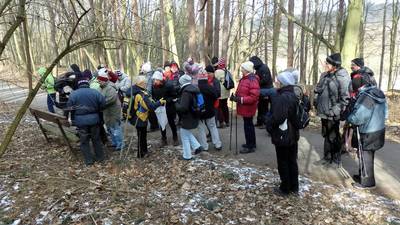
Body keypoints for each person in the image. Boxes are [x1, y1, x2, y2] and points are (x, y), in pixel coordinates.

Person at [347, 75, 387, 189]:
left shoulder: (366, 97)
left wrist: (350, 119)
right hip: (379, 129)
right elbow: (386, 112)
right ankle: (363, 176)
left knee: (365, 155)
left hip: (369, 131)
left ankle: (367, 182)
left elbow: (359, 117)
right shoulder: (377, 92)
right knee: (368, 155)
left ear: (358, 87)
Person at [266, 70, 300, 196]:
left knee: (283, 161)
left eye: (278, 81)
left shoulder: (283, 97)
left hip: (284, 134)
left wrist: (268, 124)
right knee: (292, 160)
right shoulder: (293, 94)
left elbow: (278, 117)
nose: (276, 82)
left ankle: (285, 188)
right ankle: (294, 187)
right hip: (293, 134)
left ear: (283, 83)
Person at [314, 53, 350, 164]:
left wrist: (334, 111)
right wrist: (316, 99)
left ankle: (335, 160)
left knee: (333, 136)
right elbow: (319, 89)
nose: (325, 65)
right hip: (323, 111)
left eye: (327, 63)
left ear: (334, 65)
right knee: (326, 134)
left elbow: (345, 98)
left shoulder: (342, 78)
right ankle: (327, 157)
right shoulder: (325, 75)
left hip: (333, 113)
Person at [67, 76, 106, 166]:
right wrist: (97, 110)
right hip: (94, 120)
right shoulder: (95, 92)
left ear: (79, 84)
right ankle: (100, 158)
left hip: (81, 121)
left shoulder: (74, 94)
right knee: (96, 139)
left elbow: (69, 107)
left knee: (84, 141)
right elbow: (103, 104)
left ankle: (89, 160)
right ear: (87, 84)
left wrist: (71, 117)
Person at [126, 76, 166, 158]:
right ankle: (140, 154)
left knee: (142, 136)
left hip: (136, 117)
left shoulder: (134, 90)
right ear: (141, 83)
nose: (146, 84)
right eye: (145, 83)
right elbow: (150, 106)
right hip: (140, 118)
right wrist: (160, 102)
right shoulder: (140, 94)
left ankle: (144, 151)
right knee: (141, 137)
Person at [230, 61, 260, 154]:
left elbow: (254, 97)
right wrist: (236, 97)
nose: (241, 70)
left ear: (247, 70)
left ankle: (250, 146)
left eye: (242, 68)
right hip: (245, 107)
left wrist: (240, 99)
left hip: (248, 107)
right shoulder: (245, 78)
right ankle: (250, 143)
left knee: (248, 126)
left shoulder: (252, 80)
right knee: (248, 125)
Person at [175, 74, 204, 160]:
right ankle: (196, 147)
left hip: (188, 116)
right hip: (195, 114)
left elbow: (183, 108)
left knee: (184, 134)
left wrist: (176, 103)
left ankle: (188, 155)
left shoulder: (186, 92)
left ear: (182, 82)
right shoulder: (193, 89)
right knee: (185, 133)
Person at [97, 68, 124, 151]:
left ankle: (120, 144)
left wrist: (100, 104)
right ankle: (115, 142)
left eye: (100, 80)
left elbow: (110, 99)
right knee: (109, 128)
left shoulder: (110, 88)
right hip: (106, 112)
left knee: (116, 128)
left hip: (113, 112)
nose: (98, 82)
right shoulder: (100, 88)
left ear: (104, 80)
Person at [151, 71, 179, 146]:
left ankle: (175, 137)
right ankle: (164, 139)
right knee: (161, 123)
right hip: (160, 107)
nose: (155, 82)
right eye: (154, 80)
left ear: (160, 80)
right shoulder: (153, 86)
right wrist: (155, 101)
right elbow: (153, 96)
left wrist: (166, 100)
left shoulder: (168, 85)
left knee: (171, 123)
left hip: (169, 107)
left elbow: (174, 96)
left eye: (156, 80)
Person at [197, 71, 222, 151]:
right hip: (210, 110)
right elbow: (216, 96)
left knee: (200, 128)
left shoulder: (196, 88)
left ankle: (204, 146)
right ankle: (217, 144)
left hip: (199, 111)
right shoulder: (210, 87)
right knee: (213, 126)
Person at [249, 56, 273, 128]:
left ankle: (265, 123)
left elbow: (265, 80)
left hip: (266, 90)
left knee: (264, 108)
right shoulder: (258, 68)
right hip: (260, 91)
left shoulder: (264, 68)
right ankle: (259, 122)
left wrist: (255, 83)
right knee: (260, 107)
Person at [215, 58, 231, 128]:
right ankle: (227, 121)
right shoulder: (227, 71)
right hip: (226, 91)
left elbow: (214, 81)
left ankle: (221, 122)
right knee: (225, 106)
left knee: (219, 107)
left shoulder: (217, 72)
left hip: (219, 91)